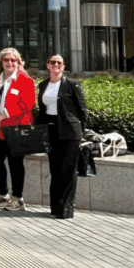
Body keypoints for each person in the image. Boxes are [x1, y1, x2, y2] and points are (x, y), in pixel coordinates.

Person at [0, 47, 37, 211]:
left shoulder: (25, 80)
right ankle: (2, 195)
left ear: (19, 63)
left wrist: (4, 115)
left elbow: (27, 103)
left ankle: (18, 199)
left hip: (15, 130)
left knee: (15, 164)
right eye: (6, 60)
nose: (10, 63)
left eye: (13, 60)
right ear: (1, 62)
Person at [38, 54, 88, 219]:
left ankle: (65, 210)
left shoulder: (72, 84)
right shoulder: (43, 85)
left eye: (59, 63)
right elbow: (42, 110)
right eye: (52, 62)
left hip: (70, 132)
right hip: (51, 132)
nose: (56, 65)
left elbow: (82, 111)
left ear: (63, 66)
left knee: (67, 171)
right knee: (55, 170)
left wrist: (81, 132)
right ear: (48, 65)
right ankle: (55, 208)